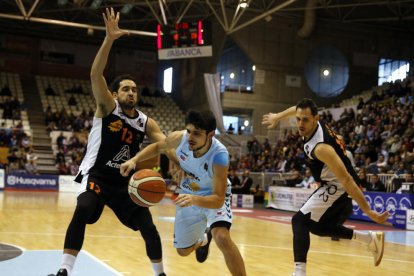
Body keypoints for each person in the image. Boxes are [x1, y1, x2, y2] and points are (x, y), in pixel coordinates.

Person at [53, 8, 170, 276]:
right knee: (83, 209)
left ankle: (160, 274)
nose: (131, 92)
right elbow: (96, 75)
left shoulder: (145, 122)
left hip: (125, 184)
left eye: (134, 89)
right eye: (126, 89)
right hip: (96, 176)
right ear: (115, 94)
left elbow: (164, 144)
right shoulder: (107, 107)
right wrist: (109, 39)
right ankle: (64, 270)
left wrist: (180, 161)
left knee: (148, 226)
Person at [262, 98, 389, 276]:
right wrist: (278, 116)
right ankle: (369, 239)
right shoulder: (315, 121)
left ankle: (299, 273)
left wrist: (369, 211)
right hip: (333, 183)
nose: (300, 123)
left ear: (315, 118)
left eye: (305, 120)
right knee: (316, 227)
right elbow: (297, 108)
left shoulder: (320, 147)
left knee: (298, 220)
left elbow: (346, 179)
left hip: (339, 185)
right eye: (298, 119)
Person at [120, 109, 247, 276]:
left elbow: (217, 199)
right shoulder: (179, 138)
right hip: (189, 192)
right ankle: (203, 239)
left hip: (213, 195)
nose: (190, 137)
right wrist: (134, 160)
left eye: (196, 133)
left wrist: (194, 199)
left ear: (210, 135)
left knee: (222, 237)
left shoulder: (219, 156)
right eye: (188, 131)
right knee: (182, 251)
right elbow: (158, 146)